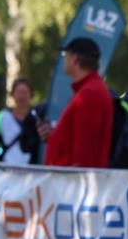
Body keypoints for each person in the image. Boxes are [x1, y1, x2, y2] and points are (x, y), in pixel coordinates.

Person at [38, 37, 113, 168]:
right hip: (67, 182)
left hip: (71, 184)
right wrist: (55, 136)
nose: (64, 59)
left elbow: (85, 154)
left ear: (75, 59)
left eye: (65, 55)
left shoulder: (89, 94)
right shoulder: (88, 90)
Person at [0, 77, 41, 164]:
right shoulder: (3, 117)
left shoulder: (37, 117)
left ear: (31, 94)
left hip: (32, 170)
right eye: (19, 92)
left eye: (25, 93)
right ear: (13, 94)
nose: (22, 97)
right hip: (6, 168)